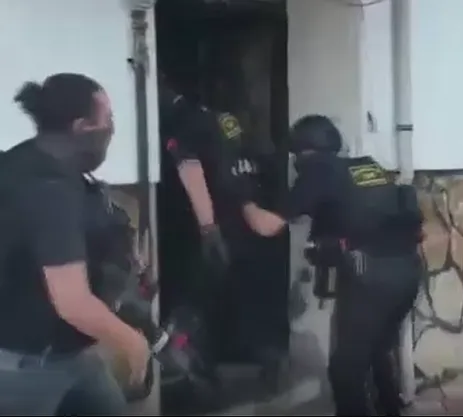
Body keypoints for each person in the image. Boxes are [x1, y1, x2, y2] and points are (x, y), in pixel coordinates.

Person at [239, 115, 423, 416]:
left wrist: (242, 197)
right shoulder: (366, 167)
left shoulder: (318, 170)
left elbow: (266, 225)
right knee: (377, 353)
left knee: (345, 370)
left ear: (303, 151)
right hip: (408, 272)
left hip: (370, 278)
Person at [0, 73, 149, 415]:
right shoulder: (50, 188)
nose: (112, 128)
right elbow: (72, 302)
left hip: (70, 355)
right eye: (108, 118)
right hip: (26, 369)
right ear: (82, 126)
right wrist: (133, 343)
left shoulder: (27, 160)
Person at [157, 78, 287, 381]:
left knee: (201, 296)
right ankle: (263, 360)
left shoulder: (184, 121)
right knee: (245, 294)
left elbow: (190, 170)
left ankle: (196, 369)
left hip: (214, 225)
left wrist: (208, 229)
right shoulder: (231, 121)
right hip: (250, 224)